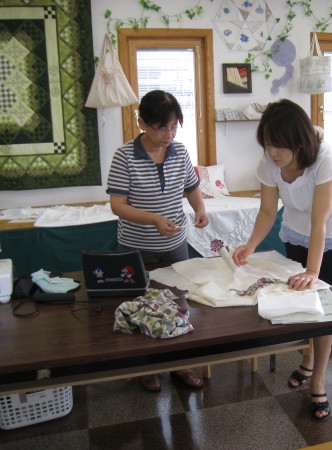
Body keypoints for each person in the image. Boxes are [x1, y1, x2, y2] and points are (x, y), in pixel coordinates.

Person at [232, 99, 332, 420]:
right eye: (268, 144)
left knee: (324, 310)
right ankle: (308, 359)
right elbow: (267, 211)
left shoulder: (324, 158)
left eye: (280, 145)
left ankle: (318, 380)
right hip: (297, 231)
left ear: (298, 141)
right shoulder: (269, 163)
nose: (273, 153)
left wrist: (313, 271)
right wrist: (249, 246)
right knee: (302, 302)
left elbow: (320, 221)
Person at [107, 90, 209, 392]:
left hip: (175, 245)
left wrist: (200, 209)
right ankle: (147, 367)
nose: (169, 134)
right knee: (143, 305)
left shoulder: (180, 151)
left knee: (178, 303)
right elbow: (118, 205)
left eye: (174, 127)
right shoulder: (124, 156)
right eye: (161, 127)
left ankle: (179, 363)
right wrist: (153, 219)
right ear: (142, 123)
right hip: (136, 247)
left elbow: (191, 188)